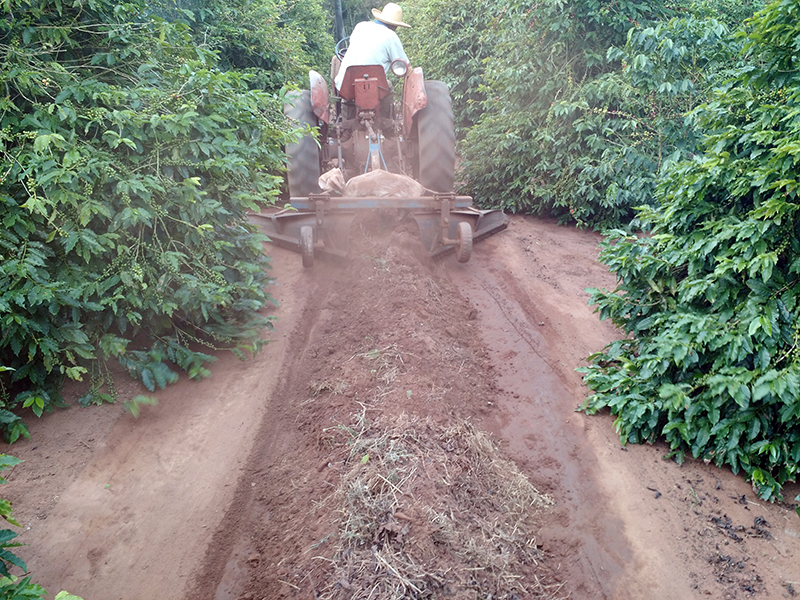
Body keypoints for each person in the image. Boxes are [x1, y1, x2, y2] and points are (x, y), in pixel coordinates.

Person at [333, 3, 410, 93]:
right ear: (395, 25)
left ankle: (343, 105)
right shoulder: (391, 36)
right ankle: (386, 108)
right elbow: (406, 66)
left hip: (345, 87)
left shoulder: (360, 26)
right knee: (388, 86)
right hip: (373, 90)